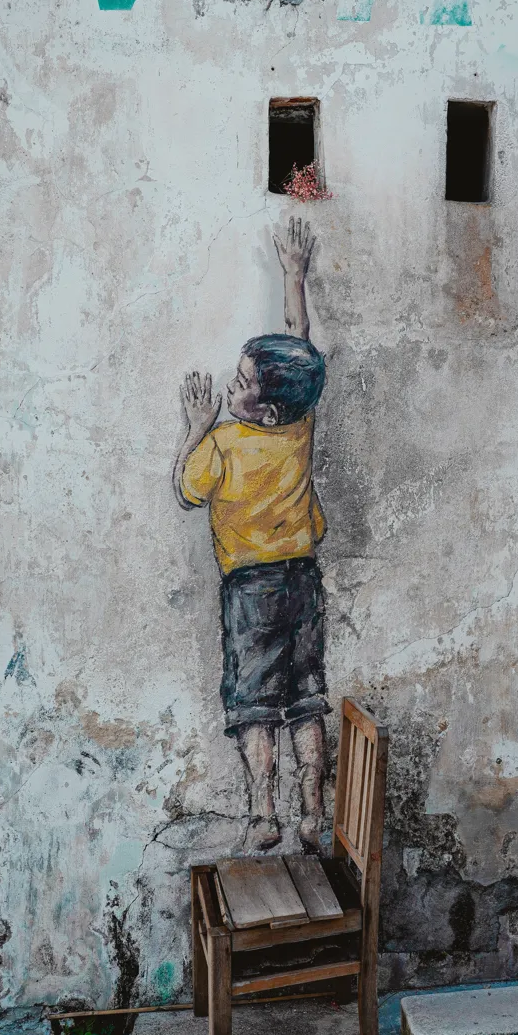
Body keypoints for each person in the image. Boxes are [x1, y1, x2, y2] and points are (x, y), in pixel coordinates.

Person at [173, 218, 329, 853]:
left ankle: (264, 814)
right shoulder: (298, 423)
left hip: (250, 589)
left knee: (254, 706)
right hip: (304, 579)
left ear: (263, 408)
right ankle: (313, 812)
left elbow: (187, 490)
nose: (231, 384)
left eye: (241, 383)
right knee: (308, 698)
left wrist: (195, 425)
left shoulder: (222, 441)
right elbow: (300, 346)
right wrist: (294, 274)